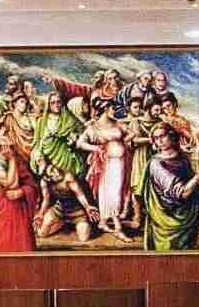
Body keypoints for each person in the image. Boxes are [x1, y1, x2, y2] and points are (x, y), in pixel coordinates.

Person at [143, 123, 199, 251]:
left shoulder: (182, 157)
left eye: (162, 136)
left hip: (188, 211)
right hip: (168, 215)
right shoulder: (156, 164)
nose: (160, 141)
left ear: (171, 136)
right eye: (156, 138)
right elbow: (182, 193)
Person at [78, 97, 133, 241]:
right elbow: (80, 143)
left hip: (120, 163)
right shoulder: (94, 127)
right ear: (105, 109)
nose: (114, 111)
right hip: (105, 164)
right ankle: (118, 228)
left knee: (117, 191)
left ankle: (102, 222)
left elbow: (133, 133)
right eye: (112, 108)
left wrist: (123, 142)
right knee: (109, 193)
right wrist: (97, 148)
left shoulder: (117, 123)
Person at [0, 130, 39, 252]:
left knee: (13, 205)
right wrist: (11, 159)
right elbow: (10, 183)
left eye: (9, 134)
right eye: (5, 134)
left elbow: (30, 185)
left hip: (16, 205)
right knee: (9, 204)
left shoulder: (15, 156)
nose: (9, 137)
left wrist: (22, 192)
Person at [35, 163, 100, 242]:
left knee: (83, 238)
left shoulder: (67, 177)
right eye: (52, 171)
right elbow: (46, 200)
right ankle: (61, 223)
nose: (56, 171)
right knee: (41, 233)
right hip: (60, 209)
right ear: (47, 178)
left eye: (54, 168)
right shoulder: (44, 183)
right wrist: (41, 214)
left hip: (77, 211)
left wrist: (87, 207)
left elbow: (79, 194)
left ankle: (76, 225)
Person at [31, 91, 87, 179]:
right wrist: (38, 157)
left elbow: (82, 132)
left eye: (58, 102)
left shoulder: (69, 119)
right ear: (48, 105)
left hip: (67, 156)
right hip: (48, 157)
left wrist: (74, 138)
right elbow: (37, 143)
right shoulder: (41, 121)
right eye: (52, 103)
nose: (56, 105)